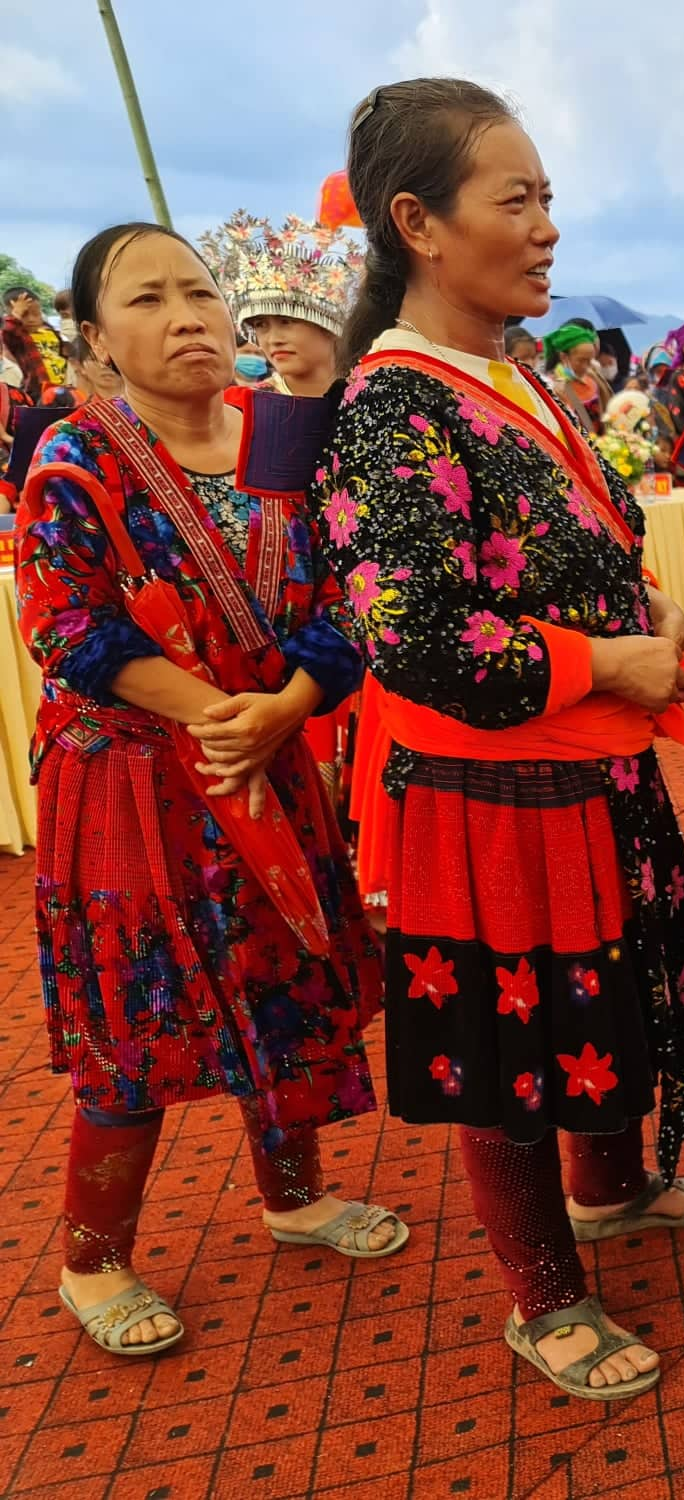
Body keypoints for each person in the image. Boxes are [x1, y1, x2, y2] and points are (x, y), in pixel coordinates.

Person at [318, 77, 684, 1401]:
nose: (548, 226)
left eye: (548, 197)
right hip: (485, 790)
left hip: (585, 770)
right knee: (508, 1047)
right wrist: (612, 658)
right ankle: (539, 1293)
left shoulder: (511, 376)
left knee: (596, 998)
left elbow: (576, 550)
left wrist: (644, 608)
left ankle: (608, 1191)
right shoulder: (393, 409)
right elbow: (417, 634)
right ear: (418, 224)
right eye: (518, 199)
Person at [19, 221, 400, 1359]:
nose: (186, 316)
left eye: (198, 292)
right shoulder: (73, 461)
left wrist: (282, 708)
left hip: (268, 757)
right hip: (132, 782)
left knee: (282, 978)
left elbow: (349, 594)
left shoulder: (283, 438)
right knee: (138, 1015)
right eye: (146, 300)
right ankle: (93, 1260)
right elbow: (63, 625)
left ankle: (293, 1198)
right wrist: (217, 715)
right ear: (93, 335)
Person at [201, 211, 364, 399]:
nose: (273, 340)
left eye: (286, 321)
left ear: (329, 323)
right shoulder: (241, 405)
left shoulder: (374, 397)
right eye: (261, 325)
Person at [543, 321, 609, 433]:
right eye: (581, 360)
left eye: (590, 360)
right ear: (564, 356)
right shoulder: (552, 386)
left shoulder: (593, 379)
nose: (586, 366)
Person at [3, 285, 69, 397]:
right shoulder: (20, 337)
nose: (32, 319)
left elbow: (63, 352)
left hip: (64, 387)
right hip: (39, 391)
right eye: (24, 315)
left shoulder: (49, 330)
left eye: (36, 314)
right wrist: (16, 314)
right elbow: (8, 330)